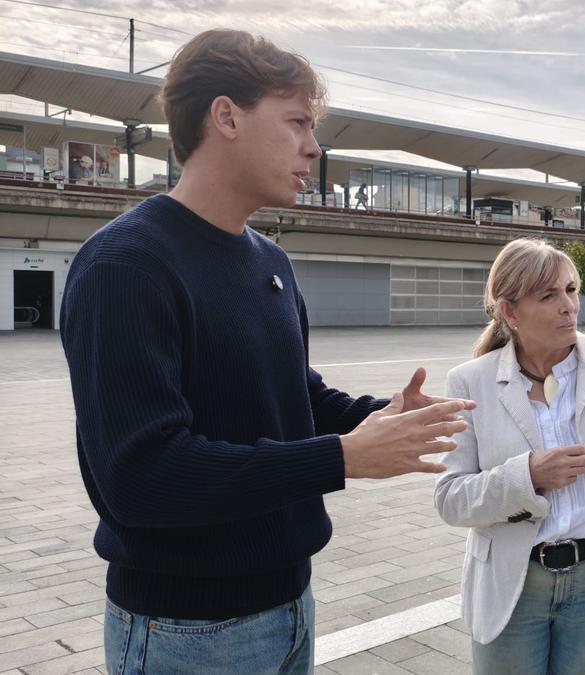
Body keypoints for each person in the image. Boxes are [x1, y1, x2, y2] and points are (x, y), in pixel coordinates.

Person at [59, 30, 474, 674]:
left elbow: (292, 391)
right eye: (297, 122)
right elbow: (142, 479)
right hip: (185, 629)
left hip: (289, 604)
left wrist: (385, 415)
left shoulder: (268, 259)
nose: (314, 146)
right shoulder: (127, 266)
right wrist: (341, 458)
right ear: (226, 116)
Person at [434, 238, 585, 675]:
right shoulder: (470, 382)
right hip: (512, 585)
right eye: (549, 295)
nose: (569, 306)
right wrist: (528, 477)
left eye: (571, 290)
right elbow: (450, 499)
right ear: (510, 312)